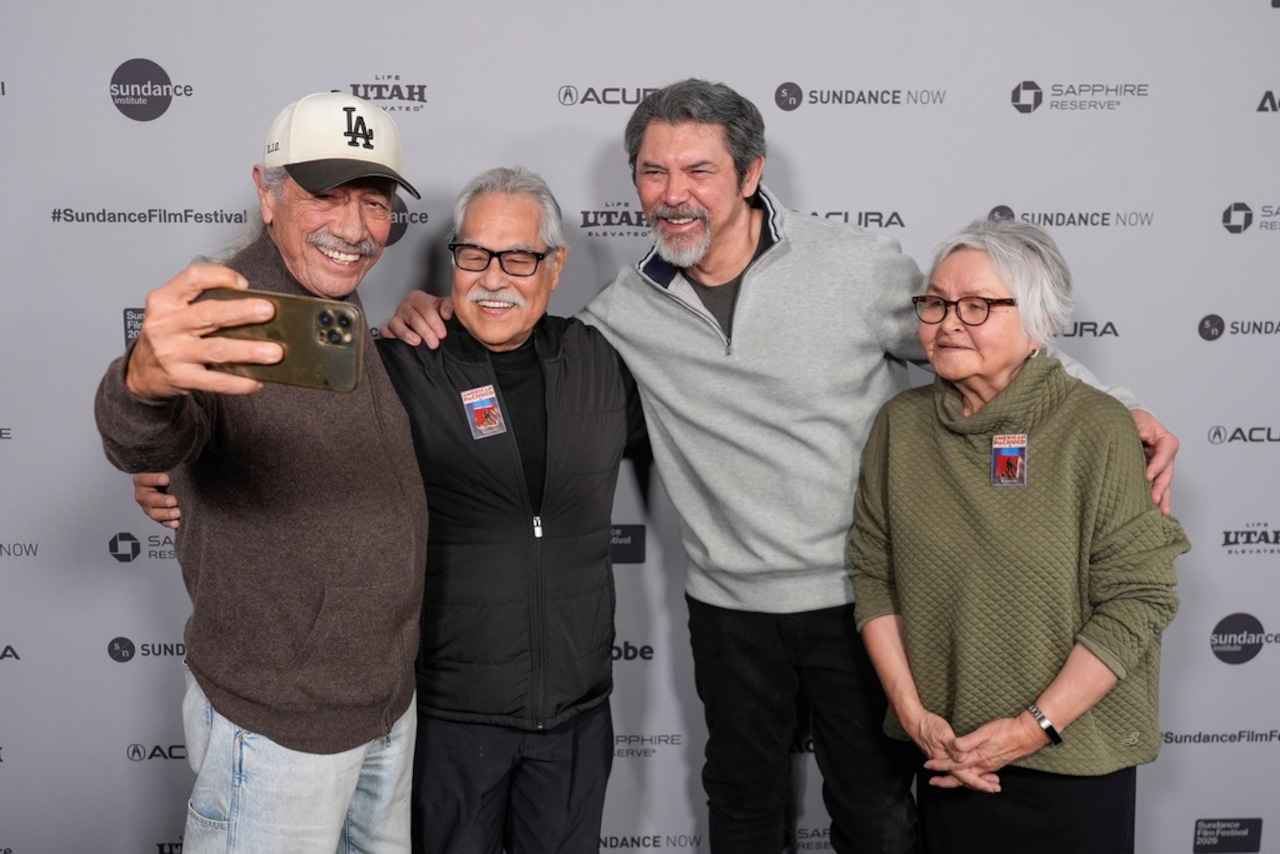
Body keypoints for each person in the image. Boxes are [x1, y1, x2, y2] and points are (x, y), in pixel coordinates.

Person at [386, 79, 1181, 853]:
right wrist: (434, 312)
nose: (674, 194)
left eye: (699, 170)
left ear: (751, 174)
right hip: (728, 609)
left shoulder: (854, 263)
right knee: (743, 808)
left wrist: (1112, 408)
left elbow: (975, 339)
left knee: (874, 814)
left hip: (860, 602)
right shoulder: (622, 314)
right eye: (654, 172)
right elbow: (522, 338)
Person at [133, 166, 647, 854]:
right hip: (448, 720)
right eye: (474, 254)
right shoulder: (395, 366)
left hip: (579, 719)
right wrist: (168, 463)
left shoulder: (604, 363)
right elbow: (248, 415)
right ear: (453, 259)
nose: (494, 277)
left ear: (554, 266)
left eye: (519, 257)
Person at [94, 92, 429, 854]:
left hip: (383, 712)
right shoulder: (226, 307)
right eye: (324, 196)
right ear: (266, 191)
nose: (353, 229)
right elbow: (144, 433)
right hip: (279, 735)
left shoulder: (334, 305)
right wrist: (142, 383)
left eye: (373, 203)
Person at [847, 218, 1188, 854]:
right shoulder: (901, 428)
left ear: (1037, 322)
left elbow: (1140, 597)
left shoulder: (1099, 427)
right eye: (937, 303)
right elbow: (873, 576)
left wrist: (1032, 728)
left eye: (977, 306)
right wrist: (917, 719)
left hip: (1074, 760)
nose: (948, 322)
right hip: (950, 758)